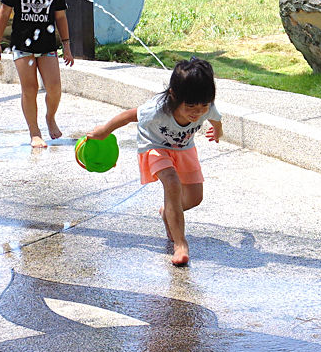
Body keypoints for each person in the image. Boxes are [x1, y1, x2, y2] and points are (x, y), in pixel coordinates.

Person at [88, 58, 222, 267]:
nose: (197, 111)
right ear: (174, 96)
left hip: (184, 149)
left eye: (203, 105)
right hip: (155, 146)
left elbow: (215, 117)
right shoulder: (158, 109)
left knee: (195, 198)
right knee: (172, 183)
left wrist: (218, 130)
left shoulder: (206, 105)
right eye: (190, 106)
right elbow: (127, 116)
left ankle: (168, 211)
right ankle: (180, 244)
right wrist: (104, 131)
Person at [0, 0, 74, 148]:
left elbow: (61, 18)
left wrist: (66, 46)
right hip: (22, 47)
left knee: (54, 87)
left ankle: (50, 117)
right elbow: (3, 14)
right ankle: (34, 132)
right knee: (30, 88)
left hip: (47, 47)